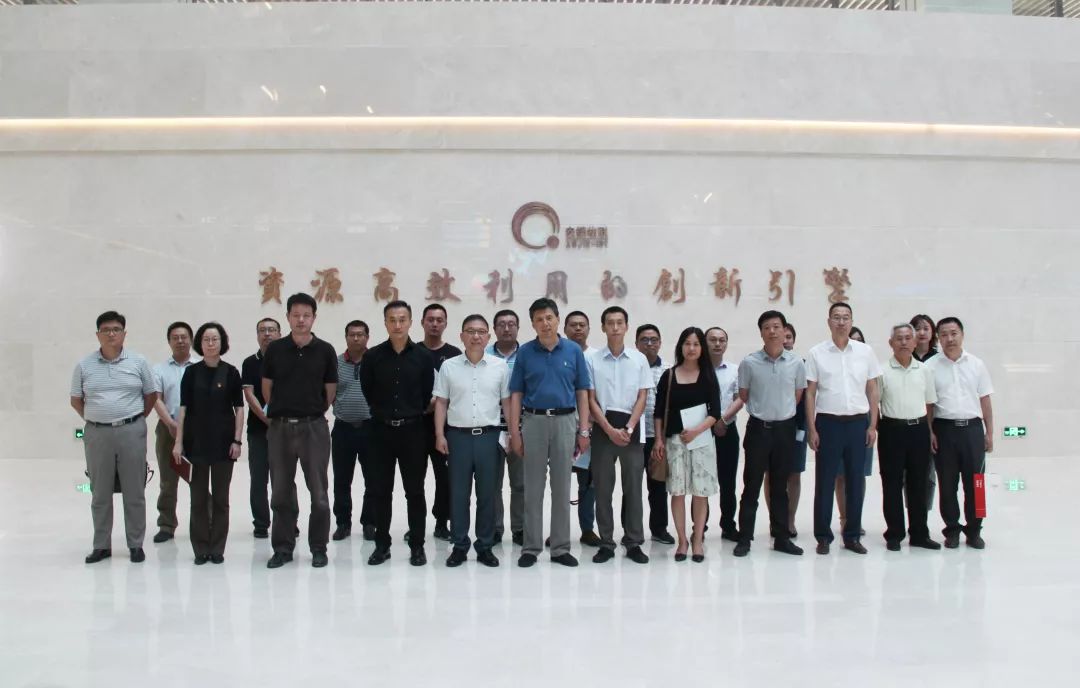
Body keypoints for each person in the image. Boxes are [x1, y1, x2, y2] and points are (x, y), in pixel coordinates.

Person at [508, 298, 592, 568]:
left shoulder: (573, 351)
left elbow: (582, 392)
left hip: (565, 422)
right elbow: (516, 393)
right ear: (533, 324)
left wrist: (584, 430)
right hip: (533, 422)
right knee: (532, 488)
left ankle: (560, 547)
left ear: (557, 320)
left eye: (549, 318)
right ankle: (531, 547)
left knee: (562, 487)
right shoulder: (525, 353)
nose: (545, 323)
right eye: (539, 319)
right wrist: (515, 432)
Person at [70, 311, 158, 564]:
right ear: (98, 334)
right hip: (97, 433)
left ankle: (135, 544)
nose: (111, 334)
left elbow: (151, 395)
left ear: (124, 333)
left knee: (134, 491)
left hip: (131, 431)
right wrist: (96, 418)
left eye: (116, 329)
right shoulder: (84, 365)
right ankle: (101, 546)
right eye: (106, 330)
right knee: (99, 492)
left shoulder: (138, 362)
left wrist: (134, 418)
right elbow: (76, 400)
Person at [262, 293, 338, 569]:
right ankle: (282, 548)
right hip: (280, 428)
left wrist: (310, 412)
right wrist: (285, 410)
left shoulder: (325, 350)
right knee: (280, 492)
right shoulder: (275, 349)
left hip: (313, 427)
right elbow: (267, 389)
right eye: (296, 315)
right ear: (288, 317)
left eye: (306, 315)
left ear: (314, 318)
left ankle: (318, 547)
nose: (301, 320)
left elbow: (330, 391)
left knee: (319, 493)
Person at [361, 300, 436, 567]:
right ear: (385, 323)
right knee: (381, 491)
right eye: (392, 320)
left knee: (414, 491)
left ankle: (417, 546)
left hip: (413, 431)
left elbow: (427, 394)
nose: (397, 325)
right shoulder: (373, 357)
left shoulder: (423, 357)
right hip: (380, 432)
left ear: (410, 322)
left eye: (402, 319)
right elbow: (368, 391)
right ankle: (382, 546)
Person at [433, 315, 510, 567]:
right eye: (470, 331)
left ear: (488, 336)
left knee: (488, 494)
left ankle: (485, 546)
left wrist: (511, 434)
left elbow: (507, 402)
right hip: (458, 438)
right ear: (462, 336)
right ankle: (459, 545)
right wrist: (440, 434)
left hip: (489, 437)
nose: (476, 336)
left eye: (481, 332)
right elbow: (441, 402)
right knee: (458, 494)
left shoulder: (500, 367)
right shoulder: (449, 367)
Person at [806, 302, 881, 555]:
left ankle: (852, 536)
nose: (841, 322)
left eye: (846, 317)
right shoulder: (817, 353)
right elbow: (810, 393)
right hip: (828, 424)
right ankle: (823, 537)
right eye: (836, 317)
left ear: (851, 321)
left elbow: (872, 389)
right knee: (825, 481)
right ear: (829, 322)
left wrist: (872, 424)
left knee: (855, 482)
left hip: (858, 423)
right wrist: (812, 428)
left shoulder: (865, 352)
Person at [733, 311, 806, 557]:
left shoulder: (796, 363)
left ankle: (781, 538)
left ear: (785, 330)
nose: (772, 331)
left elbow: (797, 396)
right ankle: (745, 538)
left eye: (776, 326)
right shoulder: (749, 362)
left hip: (785, 430)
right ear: (761, 332)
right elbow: (744, 395)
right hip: (758, 429)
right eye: (767, 327)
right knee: (751, 485)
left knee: (780, 486)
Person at [171, 323, 244, 564]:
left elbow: (239, 409)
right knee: (198, 499)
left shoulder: (231, 373)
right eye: (206, 339)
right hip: (196, 444)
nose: (211, 343)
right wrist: (178, 442)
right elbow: (183, 409)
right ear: (199, 344)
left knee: (221, 499)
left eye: (215, 339)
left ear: (222, 343)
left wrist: (237, 440)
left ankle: (217, 548)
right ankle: (201, 548)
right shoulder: (191, 373)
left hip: (224, 445)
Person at [586, 306, 651, 564]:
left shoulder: (639, 359)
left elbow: (643, 396)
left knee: (633, 488)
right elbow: (590, 399)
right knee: (603, 489)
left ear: (626, 326)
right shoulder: (592, 360)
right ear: (603, 327)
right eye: (610, 323)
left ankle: (633, 541)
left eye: (619, 322)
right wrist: (609, 430)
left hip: (631, 430)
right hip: (603, 429)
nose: (615, 327)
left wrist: (629, 428)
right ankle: (606, 542)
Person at [652, 327, 721, 563]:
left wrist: (696, 431)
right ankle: (682, 540)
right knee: (678, 491)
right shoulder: (669, 375)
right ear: (680, 346)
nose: (691, 348)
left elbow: (715, 413)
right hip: (675, 442)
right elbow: (658, 412)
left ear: (702, 348)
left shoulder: (708, 375)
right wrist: (659, 439)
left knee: (701, 493)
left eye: (696, 344)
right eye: (687, 343)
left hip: (701, 442)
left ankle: (697, 540)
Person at [928, 317, 994, 549]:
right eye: (944, 334)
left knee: (977, 483)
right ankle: (952, 530)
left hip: (972, 430)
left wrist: (989, 433)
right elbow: (929, 404)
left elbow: (985, 400)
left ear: (962, 335)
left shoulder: (976, 364)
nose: (949, 339)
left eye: (954, 333)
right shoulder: (931, 366)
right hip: (944, 430)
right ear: (939, 338)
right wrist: (930, 432)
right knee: (947, 484)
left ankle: (975, 530)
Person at [877, 323, 940, 551]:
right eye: (899, 338)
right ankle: (894, 534)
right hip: (891, 430)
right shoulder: (881, 371)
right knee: (891, 483)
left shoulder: (924, 370)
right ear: (891, 343)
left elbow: (929, 404)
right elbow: (875, 404)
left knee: (919, 483)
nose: (903, 342)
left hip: (919, 430)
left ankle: (919, 534)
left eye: (907, 338)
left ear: (914, 342)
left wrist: (930, 431)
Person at [241, 317, 288, 539]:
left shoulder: (289, 358)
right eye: (262, 330)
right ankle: (261, 523)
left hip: (286, 429)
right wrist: (267, 419)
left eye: (271, 330)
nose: (267, 334)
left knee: (284, 480)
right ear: (257, 335)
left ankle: (287, 522)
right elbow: (249, 394)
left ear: (280, 333)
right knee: (259, 479)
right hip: (258, 430)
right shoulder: (250, 362)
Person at [150, 321, 197, 544]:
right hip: (167, 429)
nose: (180, 341)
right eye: (175, 337)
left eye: (184, 337)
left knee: (198, 478)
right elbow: (155, 398)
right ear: (169, 341)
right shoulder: (159, 370)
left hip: (196, 431)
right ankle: (166, 525)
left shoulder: (200, 367)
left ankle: (205, 521)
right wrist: (169, 422)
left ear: (191, 340)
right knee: (168, 481)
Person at [419, 303, 462, 542]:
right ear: (422, 322)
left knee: (445, 479)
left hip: (445, 429)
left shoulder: (455, 354)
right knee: (415, 479)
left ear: (445, 324)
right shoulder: (412, 351)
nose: (434, 324)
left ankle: (441, 522)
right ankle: (416, 524)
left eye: (439, 320)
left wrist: (439, 403)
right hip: (416, 426)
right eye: (430, 319)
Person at [331, 320, 375, 542]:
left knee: (373, 479)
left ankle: (369, 522)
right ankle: (343, 523)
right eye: (352, 334)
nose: (356, 338)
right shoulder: (336, 363)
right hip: (343, 429)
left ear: (367, 337)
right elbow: (329, 393)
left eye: (360, 334)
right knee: (341, 480)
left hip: (371, 429)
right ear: (346, 337)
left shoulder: (375, 361)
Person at [563, 310, 601, 547]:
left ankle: (587, 529)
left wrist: (588, 426)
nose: (578, 328)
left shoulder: (597, 357)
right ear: (565, 329)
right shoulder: (558, 353)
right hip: (562, 428)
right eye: (573, 325)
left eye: (582, 325)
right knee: (560, 483)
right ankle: (558, 530)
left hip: (591, 430)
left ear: (589, 329)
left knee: (588, 483)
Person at [834, 325, 875, 535]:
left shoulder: (866, 362)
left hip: (862, 423)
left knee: (859, 475)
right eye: (853, 339)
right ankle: (844, 519)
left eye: (860, 340)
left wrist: (872, 426)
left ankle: (855, 519)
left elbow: (874, 395)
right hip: (838, 424)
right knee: (840, 475)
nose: (856, 343)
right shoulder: (834, 362)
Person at [488, 309, 524, 545]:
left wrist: (516, 430)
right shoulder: (483, 355)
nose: (507, 328)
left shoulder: (528, 355)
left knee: (521, 483)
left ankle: (520, 529)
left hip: (522, 429)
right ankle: (494, 529)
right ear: (494, 329)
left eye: (511, 324)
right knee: (492, 484)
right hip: (491, 428)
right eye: (501, 324)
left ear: (518, 328)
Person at [636, 324, 674, 544]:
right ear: (636, 344)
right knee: (632, 486)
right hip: (633, 436)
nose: (649, 344)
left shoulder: (669, 370)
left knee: (658, 486)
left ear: (660, 343)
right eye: (644, 339)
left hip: (658, 437)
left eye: (653, 340)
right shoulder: (631, 367)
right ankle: (631, 531)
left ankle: (659, 529)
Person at [705, 326, 744, 541]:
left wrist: (723, 420)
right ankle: (699, 526)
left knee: (728, 482)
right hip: (701, 431)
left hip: (727, 429)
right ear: (705, 342)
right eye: (712, 340)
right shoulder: (696, 370)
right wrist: (710, 423)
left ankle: (728, 525)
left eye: (721, 340)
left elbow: (740, 397)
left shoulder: (735, 370)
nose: (717, 344)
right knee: (700, 481)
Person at [910, 313, 940, 512]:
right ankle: (911, 510)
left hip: (935, 421)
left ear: (933, 332)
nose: (921, 332)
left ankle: (924, 512)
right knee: (909, 472)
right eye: (917, 328)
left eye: (926, 328)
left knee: (929, 471)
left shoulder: (939, 359)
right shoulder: (905, 357)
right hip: (910, 419)